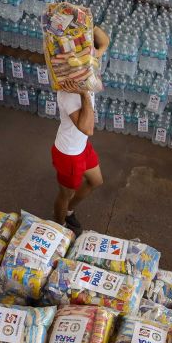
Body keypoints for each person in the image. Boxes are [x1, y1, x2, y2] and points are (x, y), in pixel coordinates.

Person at [52, 26, 109, 233]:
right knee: (65, 195)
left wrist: (85, 25)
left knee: (96, 181)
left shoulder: (85, 69)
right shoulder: (69, 91)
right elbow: (87, 128)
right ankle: (59, 227)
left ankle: (69, 211)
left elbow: (104, 43)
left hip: (81, 147)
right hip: (69, 153)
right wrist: (84, 93)